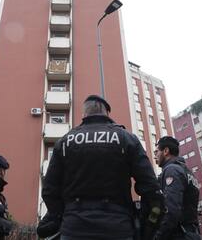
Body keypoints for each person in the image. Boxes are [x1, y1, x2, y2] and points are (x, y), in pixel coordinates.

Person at [41, 95, 163, 240]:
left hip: (74, 228)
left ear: (84, 114)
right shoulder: (126, 138)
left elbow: (49, 190)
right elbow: (151, 188)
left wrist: (65, 216)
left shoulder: (65, 142)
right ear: (107, 113)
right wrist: (145, 226)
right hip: (118, 227)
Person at [154, 136, 201, 240]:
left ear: (166, 151)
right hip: (191, 233)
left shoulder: (172, 170)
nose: (155, 156)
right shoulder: (186, 172)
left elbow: (171, 210)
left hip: (178, 234)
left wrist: (158, 236)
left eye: (156, 152)